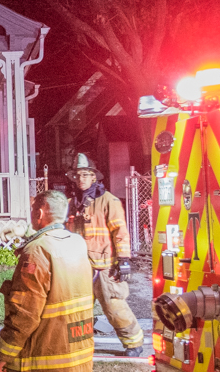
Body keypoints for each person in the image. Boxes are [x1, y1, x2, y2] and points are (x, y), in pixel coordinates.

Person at [0, 190, 94, 372]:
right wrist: (25, 232)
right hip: (80, 357)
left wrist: (2, 356)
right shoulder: (77, 243)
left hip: (46, 361)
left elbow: (24, 314)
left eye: (32, 210)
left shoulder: (36, 252)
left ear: (39, 213)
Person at [66, 153, 144, 357]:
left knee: (114, 306)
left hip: (105, 267)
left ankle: (133, 343)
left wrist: (123, 260)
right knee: (79, 309)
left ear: (94, 177)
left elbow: (120, 231)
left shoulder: (108, 200)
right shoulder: (72, 203)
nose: (81, 178)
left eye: (85, 174)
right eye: (77, 175)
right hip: (80, 267)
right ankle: (79, 346)